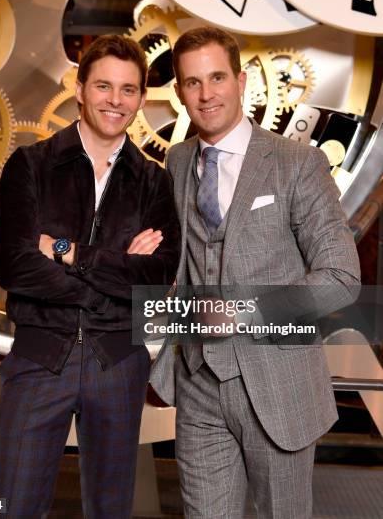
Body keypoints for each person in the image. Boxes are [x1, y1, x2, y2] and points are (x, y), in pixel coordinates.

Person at [150, 26, 360, 518]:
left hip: (278, 385)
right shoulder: (177, 161)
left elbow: (341, 276)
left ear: (242, 81)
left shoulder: (297, 163)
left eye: (217, 77)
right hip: (198, 382)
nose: (206, 93)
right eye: (193, 82)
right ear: (179, 92)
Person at [0, 34, 180, 518]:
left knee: (110, 510)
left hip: (117, 362)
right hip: (38, 357)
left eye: (128, 90)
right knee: (11, 506)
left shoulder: (154, 180)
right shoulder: (30, 165)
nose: (115, 101)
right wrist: (117, 277)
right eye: (103, 86)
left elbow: (155, 281)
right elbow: (15, 265)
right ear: (79, 89)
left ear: (140, 97)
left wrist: (66, 252)